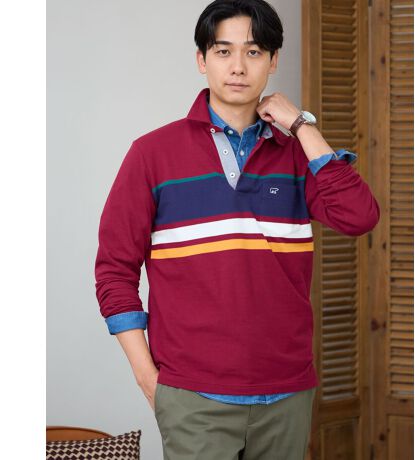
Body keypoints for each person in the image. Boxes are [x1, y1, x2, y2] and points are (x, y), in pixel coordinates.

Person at [94, 0, 380, 458]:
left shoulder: (297, 156)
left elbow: (359, 217)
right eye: (223, 51)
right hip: (193, 397)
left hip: (287, 394)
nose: (238, 67)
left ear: (273, 61)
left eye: (253, 52)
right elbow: (114, 270)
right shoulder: (152, 154)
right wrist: (147, 377)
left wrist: (301, 125)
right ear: (201, 59)